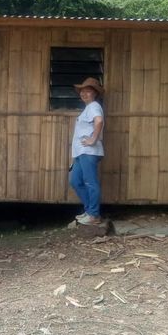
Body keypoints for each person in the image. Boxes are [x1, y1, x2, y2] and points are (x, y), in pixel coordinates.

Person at [70, 77, 105, 225]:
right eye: (82, 91)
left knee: (90, 182)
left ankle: (94, 215)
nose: (84, 93)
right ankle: (89, 211)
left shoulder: (94, 106)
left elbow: (99, 121)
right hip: (81, 152)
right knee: (75, 181)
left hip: (89, 151)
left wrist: (93, 139)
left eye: (88, 91)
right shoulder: (88, 108)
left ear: (95, 93)